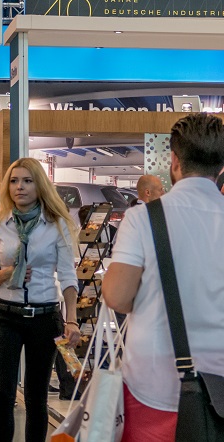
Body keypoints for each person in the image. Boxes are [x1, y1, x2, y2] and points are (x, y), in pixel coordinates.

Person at [104, 113, 224, 442]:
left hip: (153, 386)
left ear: (174, 161)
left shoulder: (143, 219)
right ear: (220, 167)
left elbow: (117, 297)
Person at [0, 158, 81, 442]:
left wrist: (72, 319)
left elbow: (68, 277)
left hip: (44, 317)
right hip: (5, 317)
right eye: (13, 181)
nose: (19, 187)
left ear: (40, 185)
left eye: (27, 181)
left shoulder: (57, 225)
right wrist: (7, 274)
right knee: (2, 395)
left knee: (37, 397)